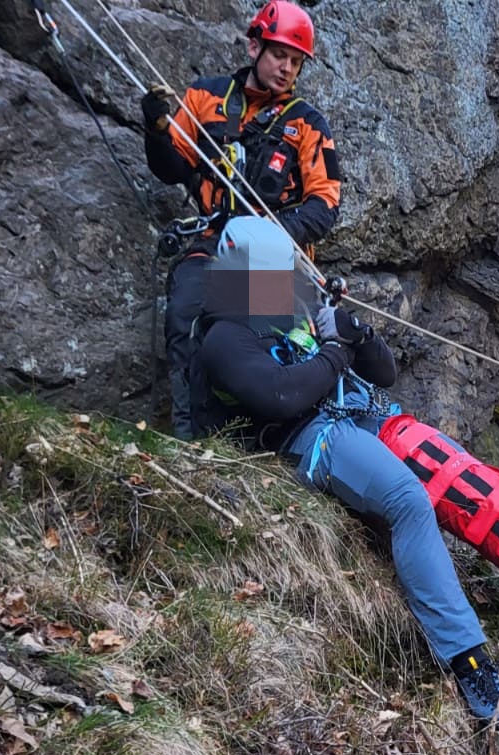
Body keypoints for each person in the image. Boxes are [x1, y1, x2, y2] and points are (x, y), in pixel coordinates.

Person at [190, 216, 499, 727]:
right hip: (314, 437)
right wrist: (335, 351)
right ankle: (472, 666)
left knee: (477, 487)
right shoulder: (224, 335)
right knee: (407, 500)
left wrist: (355, 331)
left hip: (369, 416)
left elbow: (383, 371)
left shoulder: (292, 311)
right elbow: (281, 395)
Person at [142, 0, 341, 439]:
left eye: (295, 61)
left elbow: (325, 201)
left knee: (246, 334)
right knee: (185, 316)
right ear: (254, 47)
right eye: (279, 55)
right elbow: (173, 167)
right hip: (213, 238)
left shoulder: (307, 124)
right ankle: (191, 440)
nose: (287, 68)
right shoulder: (205, 99)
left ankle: (248, 444)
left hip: (271, 253)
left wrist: (269, 233)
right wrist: (156, 131)